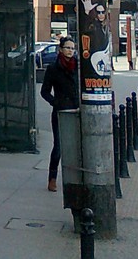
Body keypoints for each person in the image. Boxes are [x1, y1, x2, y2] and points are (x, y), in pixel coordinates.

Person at [40, 36, 79, 193]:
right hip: (60, 112)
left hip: (76, 110)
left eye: (72, 48)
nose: (70, 51)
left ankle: (76, 179)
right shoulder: (53, 68)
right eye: (67, 48)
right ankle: (52, 179)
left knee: (77, 145)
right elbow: (44, 92)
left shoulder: (78, 67)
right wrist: (55, 102)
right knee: (58, 146)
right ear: (61, 49)